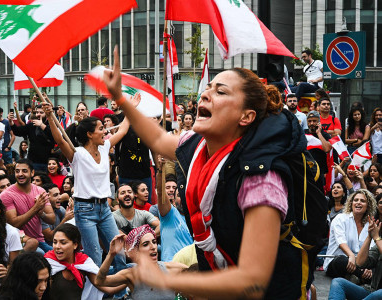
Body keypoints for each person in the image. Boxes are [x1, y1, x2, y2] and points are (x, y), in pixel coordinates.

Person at [101, 48, 310, 299]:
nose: (205, 94)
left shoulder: (261, 178)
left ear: (246, 116)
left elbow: (253, 282)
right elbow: (157, 138)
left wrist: (165, 279)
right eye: (208, 88)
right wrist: (121, 100)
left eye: (220, 92)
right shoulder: (197, 144)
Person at [42, 103, 129, 270]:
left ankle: (120, 294)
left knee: (119, 251)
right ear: (89, 134)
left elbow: (123, 130)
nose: (105, 131)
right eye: (101, 128)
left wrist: (130, 108)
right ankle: (94, 294)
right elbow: (60, 140)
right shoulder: (77, 154)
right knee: (94, 255)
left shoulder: (105, 147)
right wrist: (50, 117)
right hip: (84, 210)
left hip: (104, 208)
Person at [95, 225, 187, 299]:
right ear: (136, 251)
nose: (153, 247)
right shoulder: (131, 275)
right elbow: (99, 281)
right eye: (146, 244)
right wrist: (111, 254)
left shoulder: (174, 269)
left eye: (154, 242)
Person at [44, 223, 124, 299]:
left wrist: (131, 279)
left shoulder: (84, 262)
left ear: (75, 245)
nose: (57, 246)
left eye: (63, 243)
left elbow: (107, 289)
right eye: (55, 242)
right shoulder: (48, 263)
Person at [0, 159, 55, 254]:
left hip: (40, 241)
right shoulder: (6, 195)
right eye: (17, 171)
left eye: (24, 171)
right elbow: (14, 224)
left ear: (32, 173)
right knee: (41, 256)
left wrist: (42, 214)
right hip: (19, 242)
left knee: (61, 257)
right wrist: (36, 208)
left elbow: (52, 219)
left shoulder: (40, 191)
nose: (20, 174)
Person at [324, 189, 376, 280]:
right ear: (351, 203)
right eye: (356, 200)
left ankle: (358, 275)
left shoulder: (370, 224)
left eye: (362, 201)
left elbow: (371, 248)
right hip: (338, 262)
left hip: (360, 263)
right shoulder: (340, 218)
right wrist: (351, 256)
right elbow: (341, 242)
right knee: (342, 260)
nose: (358, 203)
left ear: (368, 206)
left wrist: (368, 267)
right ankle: (361, 276)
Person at [328, 216, 382, 299]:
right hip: (372, 291)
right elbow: (360, 262)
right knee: (338, 282)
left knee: (379, 293)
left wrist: (376, 238)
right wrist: (370, 236)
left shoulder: (379, 241)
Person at [8, 104, 55, 172]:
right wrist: (11, 122)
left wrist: (42, 125)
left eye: (41, 113)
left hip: (48, 162)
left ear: (47, 114)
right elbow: (18, 131)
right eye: (37, 112)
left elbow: (54, 137)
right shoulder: (32, 125)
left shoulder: (51, 124)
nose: (38, 114)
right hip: (33, 161)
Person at [305, 110, 332, 179]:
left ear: (319, 122)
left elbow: (327, 149)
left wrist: (319, 133)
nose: (312, 123)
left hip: (320, 171)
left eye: (314, 121)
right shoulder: (303, 134)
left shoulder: (325, 135)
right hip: (306, 170)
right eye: (309, 121)